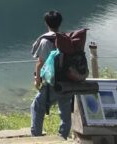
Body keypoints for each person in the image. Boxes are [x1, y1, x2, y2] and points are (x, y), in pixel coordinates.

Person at [30, 9, 73, 139]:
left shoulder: (45, 41)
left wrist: (37, 79)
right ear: (60, 23)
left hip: (52, 82)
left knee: (37, 106)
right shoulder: (65, 39)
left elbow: (40, 62)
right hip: (67, 80)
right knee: (64, 109)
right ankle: (63, 136)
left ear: (46, 23)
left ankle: (36, 135)